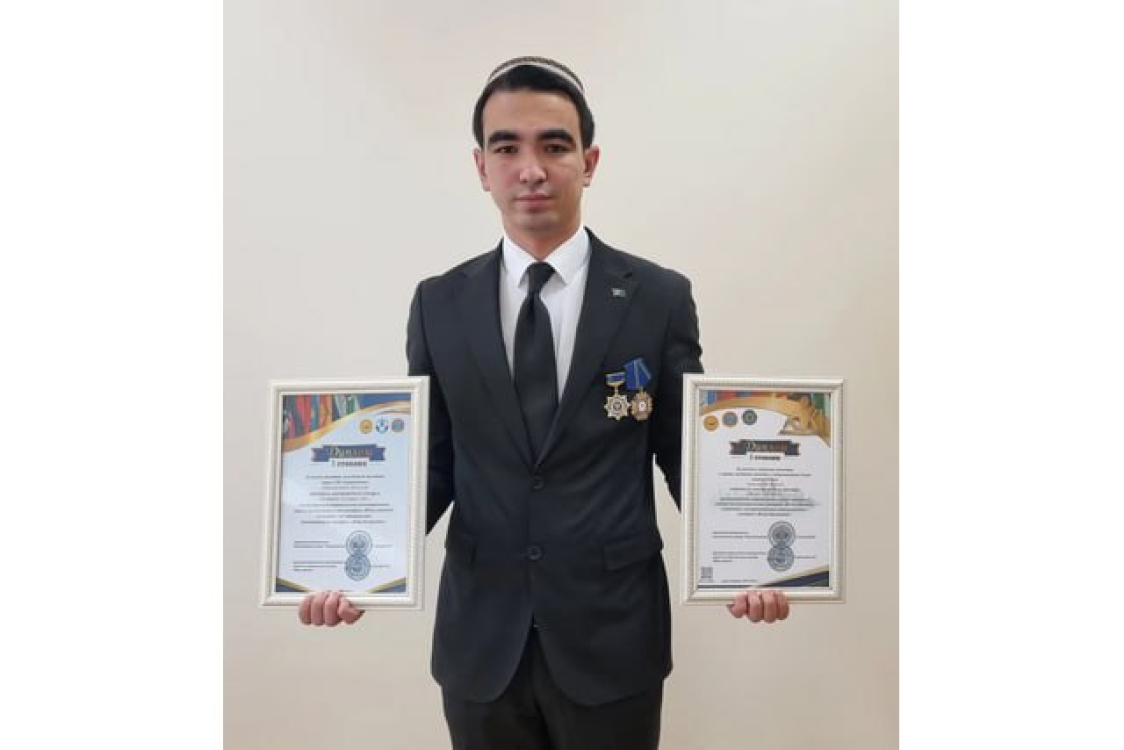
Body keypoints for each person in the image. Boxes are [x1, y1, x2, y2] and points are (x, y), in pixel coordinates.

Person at [299, 56, 790, 750]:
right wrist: (347, 570)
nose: (531, 169)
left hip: (612, 636)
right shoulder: (439, 303)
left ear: (589, 162)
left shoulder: (657, 298)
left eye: (554, 146)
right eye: (507, 148)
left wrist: (751, 563)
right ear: (481, 167)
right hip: (481, 640)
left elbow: (687, 454)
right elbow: (430, 465)